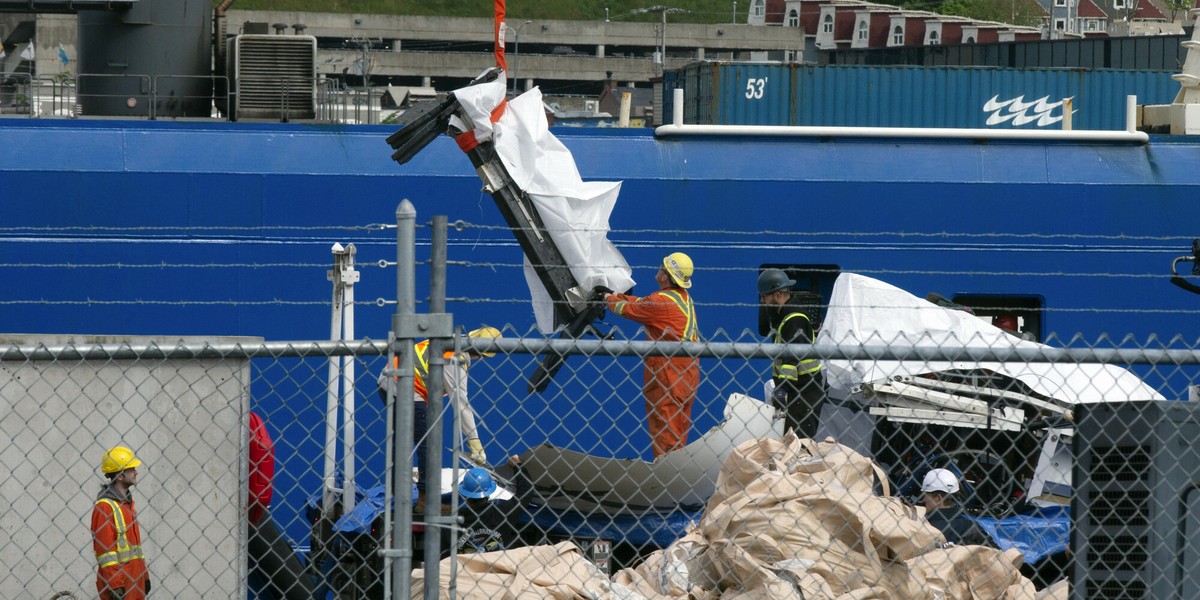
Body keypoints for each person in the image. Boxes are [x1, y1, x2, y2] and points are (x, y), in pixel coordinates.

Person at [378, 326, 501, 512]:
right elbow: (460, 403)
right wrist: (474, 441)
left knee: (402, 442)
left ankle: (397, 493)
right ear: (480, 354)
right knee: (429, 444)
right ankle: (425, 500)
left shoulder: (450, 339)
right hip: (406, 388)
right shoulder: (455, 359)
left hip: (388, 381)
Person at [605, 252, 701, 458]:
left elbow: (628, 309)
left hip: (669, 372)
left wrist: (607, 298)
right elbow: (642, 302)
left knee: (665, 429)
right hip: (688, 371)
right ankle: (676, 473)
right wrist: (616, 294)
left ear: (665, 276)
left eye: (661, 267)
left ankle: (668, 477)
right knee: (679, 428)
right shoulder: (681, 298)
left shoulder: (661, 302)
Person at [757, 268, 827, 438]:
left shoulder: (795, 320)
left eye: (765, 296)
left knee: (798, 443)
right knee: (790, 441)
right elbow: (764, 330)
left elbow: (790, 362)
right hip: (797, 391)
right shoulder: (784, 316)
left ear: (778, 295)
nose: (762, 301)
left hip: (804, 392)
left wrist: (781, 392)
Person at [92, 445, 149, 600]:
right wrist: (115, 585)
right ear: (120, 476)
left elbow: (134, 549)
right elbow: (105, 552)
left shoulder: (127, 505)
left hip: (135, 582)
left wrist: (144, 575)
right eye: (131, 469)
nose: (136, 472)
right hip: (121, 586)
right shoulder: (105, 507)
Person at [452, 457, 532, 555]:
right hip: (498, 567)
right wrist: (518, 466)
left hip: (465, 568)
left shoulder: (453, 521)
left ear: (464, 495)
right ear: (488, 492)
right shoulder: (504, 512)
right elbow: (526, 490)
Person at [920, 468, 990, 546]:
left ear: (938, 498)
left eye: (926, 495)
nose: (923, 500)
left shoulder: (925, 529)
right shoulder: (970, 526)